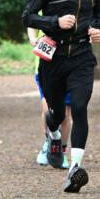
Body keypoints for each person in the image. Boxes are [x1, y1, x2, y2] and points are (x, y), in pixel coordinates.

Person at [22, 0, 100, 193]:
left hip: (82, 56)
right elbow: (27, 17)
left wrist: (97, 30)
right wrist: (54, 22)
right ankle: (54, 134)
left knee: (79, 107)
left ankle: (74, 169)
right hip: (54, 58)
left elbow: (98, 17)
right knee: (57, 113)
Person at [27, 27, 72, 168]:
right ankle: (49, 143)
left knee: (66, 113)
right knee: (47, 107)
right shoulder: (43, 11)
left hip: (70, 67)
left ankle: (61, 152)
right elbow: (31, 24)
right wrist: (33, 38)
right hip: (45, 66)